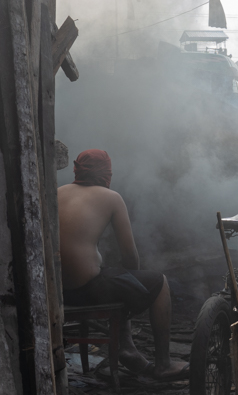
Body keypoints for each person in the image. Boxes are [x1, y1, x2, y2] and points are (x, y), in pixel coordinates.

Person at [58, 149, 187, 379]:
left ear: (77, 169)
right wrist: (134, 284)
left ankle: (126, 347)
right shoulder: (111, 197)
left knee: (116, 279)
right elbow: (129, 255)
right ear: (106, 172)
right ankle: (163, 364)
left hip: (57, 290)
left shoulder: (57, 192)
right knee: (158, 282)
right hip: (85, 288)